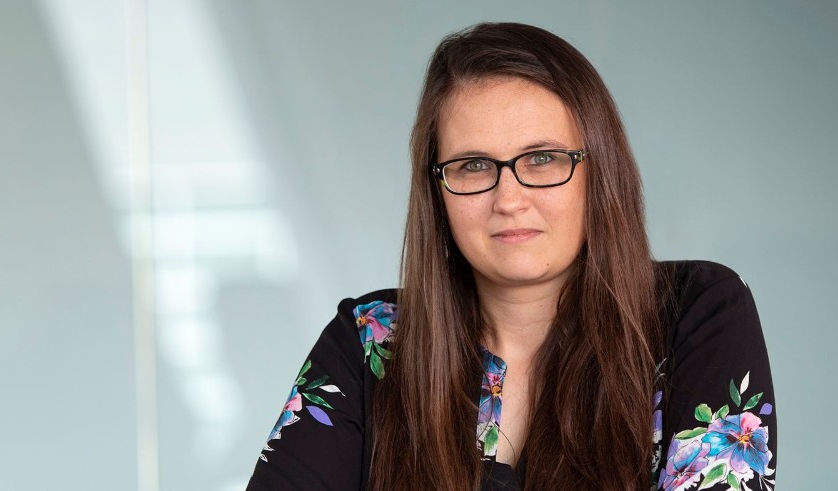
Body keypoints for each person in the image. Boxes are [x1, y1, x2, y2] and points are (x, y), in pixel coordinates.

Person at [246, 22, 776, 491]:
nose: (509, 198)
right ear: (438, 191)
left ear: (601, 172)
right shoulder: (371, 341)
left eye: (542, 159)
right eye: (474, 166)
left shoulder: (695, 314)